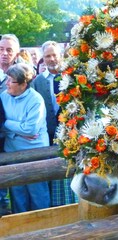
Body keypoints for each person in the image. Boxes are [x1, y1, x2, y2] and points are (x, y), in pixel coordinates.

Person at [32, 40, 78, 207]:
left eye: (54, 55)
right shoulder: (38, 81)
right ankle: (56, 206)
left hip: (71, 133)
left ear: (60, 55)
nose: (51, 59)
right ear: (42, 59)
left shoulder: (72, 77)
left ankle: (73, 203)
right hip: (49, 134)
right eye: (47, 56)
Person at [0, 63, 50, 213]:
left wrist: (6, 124)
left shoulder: (36, 100)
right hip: (13, 153)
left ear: (24, 84)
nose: (7, 83)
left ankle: (43, 228)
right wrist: (18, 131)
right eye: (7, 78)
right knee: (17, 194)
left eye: (11, 80)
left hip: (36, 154)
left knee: (38, 194)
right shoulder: (3, 96)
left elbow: (31, 129)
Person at [0, 33, 21, 215]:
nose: (4, 53)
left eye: (9, 50)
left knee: (18, 186)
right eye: (1, 49)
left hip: (19, 142)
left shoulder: (26, 75)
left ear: (16, 53)